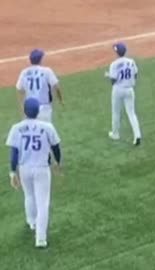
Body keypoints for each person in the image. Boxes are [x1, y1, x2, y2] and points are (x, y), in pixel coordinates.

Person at [6, 98, 62, 248]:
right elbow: (56, 147)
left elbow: (14, 154)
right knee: (43, 202)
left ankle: (31, 222)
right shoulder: (47, 127)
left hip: (25, 168)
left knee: (29, 195)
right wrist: (58, 162)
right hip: (42, 168)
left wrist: (12, 173)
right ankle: (41, 238)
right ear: (38, 111)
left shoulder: (16, 128)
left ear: (24, 111)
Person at [104, 42, 142, 146]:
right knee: (132, 113)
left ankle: (115, 134)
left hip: (118, 90)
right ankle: (137, 135)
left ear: (117, 53)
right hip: (130, 89)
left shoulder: (114, 64)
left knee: (116, 112)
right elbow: (135, 74)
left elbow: (113, 80)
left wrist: (108, 76)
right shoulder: (131, 62)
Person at [16, 49, 64, 122]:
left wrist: (23, 108)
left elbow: (20, 90)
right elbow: (56, 87)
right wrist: (61, 100)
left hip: (29, 109)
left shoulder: (24, 72)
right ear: (41, 59)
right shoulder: (47, 71)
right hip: (45, 108)